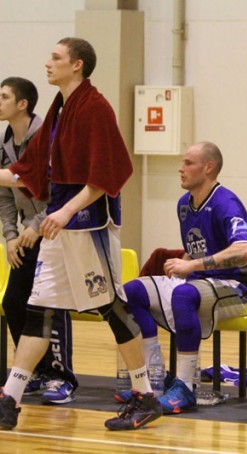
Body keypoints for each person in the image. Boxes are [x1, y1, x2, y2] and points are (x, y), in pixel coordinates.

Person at [0, 37, 161, 431]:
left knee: (112, 307)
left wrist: (66, 211)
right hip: (60, 228)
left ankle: (145, 395)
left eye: (56, 57)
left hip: (90, 226)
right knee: (38, 310)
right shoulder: (60, 108)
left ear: (77, 65)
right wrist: (57, 213)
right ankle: (9, 399)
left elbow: (108, 173)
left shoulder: (95, 107)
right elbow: (29, 172)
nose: (47, 63)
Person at [122, 141, 247, 414]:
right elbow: (199, 247)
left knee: (183, 295)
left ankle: (184, 387)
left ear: (208, 168)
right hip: (200, 282)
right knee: (131, 291)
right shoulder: (184, 204)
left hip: (237, 287)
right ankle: (154, 380)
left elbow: (246, 250)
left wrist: (193, 264)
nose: (180, 168)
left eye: (188, 163)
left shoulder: (226, 203)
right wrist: (186, 264)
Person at [0, 77, 79, 405]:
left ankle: (62, 377)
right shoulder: (5, 142)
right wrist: (10, 235)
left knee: (50, 305)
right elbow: (5, 193)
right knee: (14, 301)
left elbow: (61, 190)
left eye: (4, 97)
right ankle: (35, 370)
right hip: (27, 236)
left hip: (55, 231)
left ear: (22, 104)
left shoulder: (48, 138)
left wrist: (36, 225)